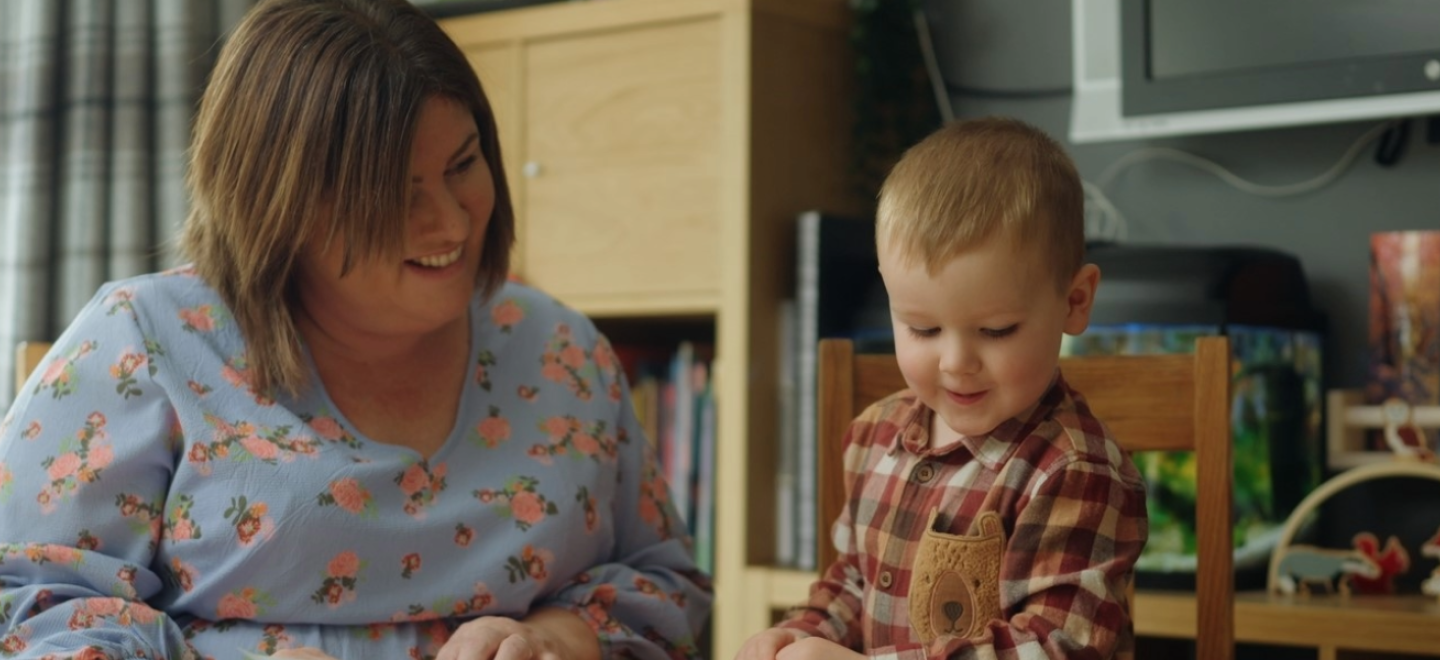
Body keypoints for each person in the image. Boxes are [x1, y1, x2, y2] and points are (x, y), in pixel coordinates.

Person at [0, 1, 712, 658]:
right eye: (395, 196)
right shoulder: (142, 343)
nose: (452, 223)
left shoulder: (562, 350)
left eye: (464, 165)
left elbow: (668, 582)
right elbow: (26, 604)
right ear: (279, 205)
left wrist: (558, 637)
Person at [737, 117, 1148, 660]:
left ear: (1074, 301)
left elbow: (1054, 647)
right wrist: (806, 632)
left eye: (996, 330)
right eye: (922, 328)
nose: (956, 362)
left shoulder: (1074, 470)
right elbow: (853, 584)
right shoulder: (873, 435)